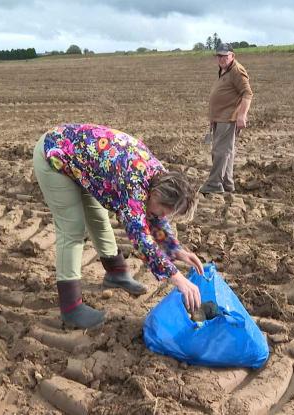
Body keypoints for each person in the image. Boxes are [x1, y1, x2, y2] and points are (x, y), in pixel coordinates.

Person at [32, 123, 203, 329]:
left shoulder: (161, 178)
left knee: (98, 216)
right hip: (54, 155)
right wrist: (176, 277)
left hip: (85, 164)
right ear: (156, 195)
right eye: (165, 212)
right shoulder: (133, 184)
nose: (163, 217)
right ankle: (71, 308)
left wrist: (175, 250)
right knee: (72, 229)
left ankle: (116, 273)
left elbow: (155, 215)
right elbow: (140, 237)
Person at [199, 42, 253, 195]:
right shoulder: (224, 70)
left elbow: (247, 94)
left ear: (232, 56)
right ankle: (227, 183)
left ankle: (214, 184)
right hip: (220, 118)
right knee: (226, 152)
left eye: (224, 56)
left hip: (228, 119)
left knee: (220, 152)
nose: (221, 58)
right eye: (219, 56)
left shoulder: (236, 70)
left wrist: (242, 115)